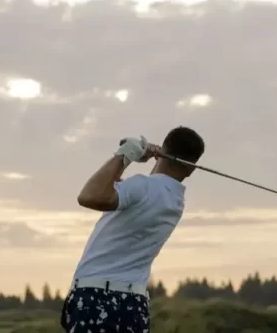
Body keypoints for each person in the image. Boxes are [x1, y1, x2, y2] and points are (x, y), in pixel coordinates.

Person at [60, 126, 206, 332]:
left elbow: (89, 196)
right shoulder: (175, 201)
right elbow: (116, 187)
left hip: (97, 296)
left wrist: (125, 155)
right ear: (191, 169)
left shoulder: (141, 187)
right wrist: (126, 161)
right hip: (133, 304)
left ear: (163, 150)